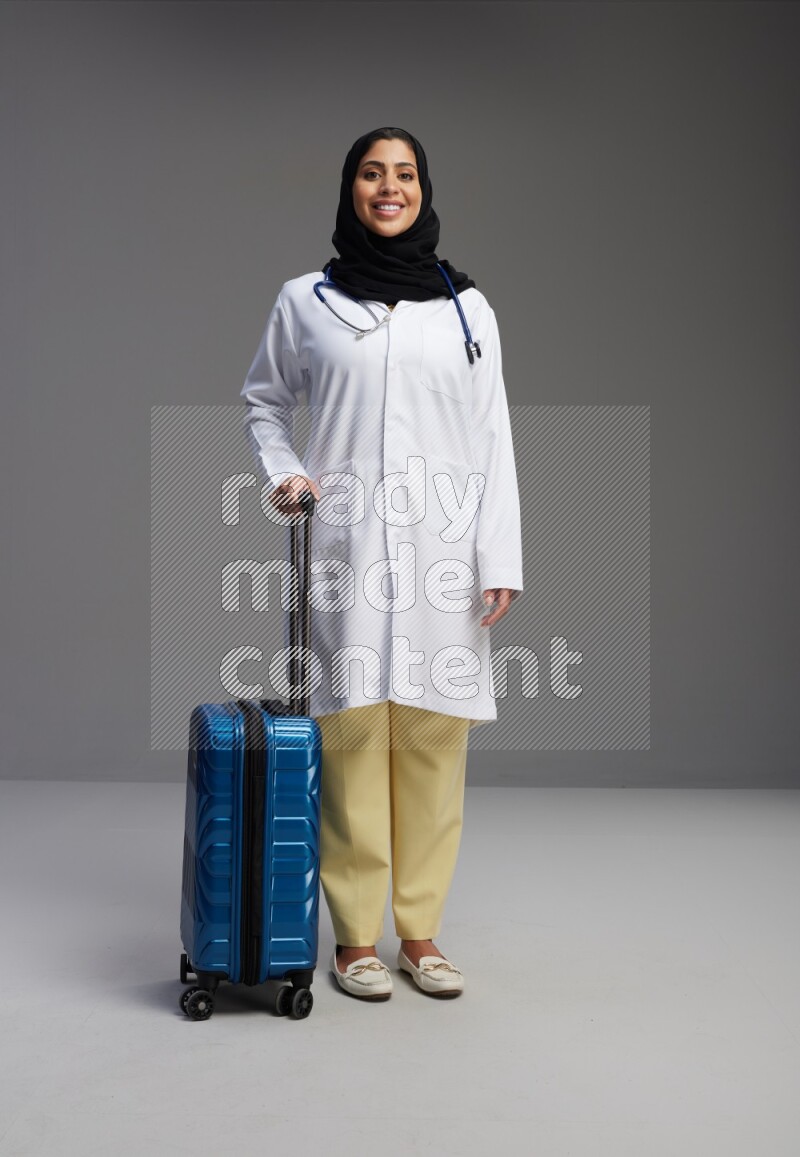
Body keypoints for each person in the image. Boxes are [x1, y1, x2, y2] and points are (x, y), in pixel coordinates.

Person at [240, 127, 523, 1000]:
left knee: (435, 743)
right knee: (354, 735)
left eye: (403, 174)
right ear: (350, 189)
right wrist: (286, 472)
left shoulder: (468, 310)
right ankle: (356, 940)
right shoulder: (307, 301)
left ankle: (422, 933)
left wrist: (499, 554)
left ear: (424, 189)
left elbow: (492, 437)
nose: (388, 188)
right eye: (372, 173)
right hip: (349, 550)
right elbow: (264, 399)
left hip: (444, 552)